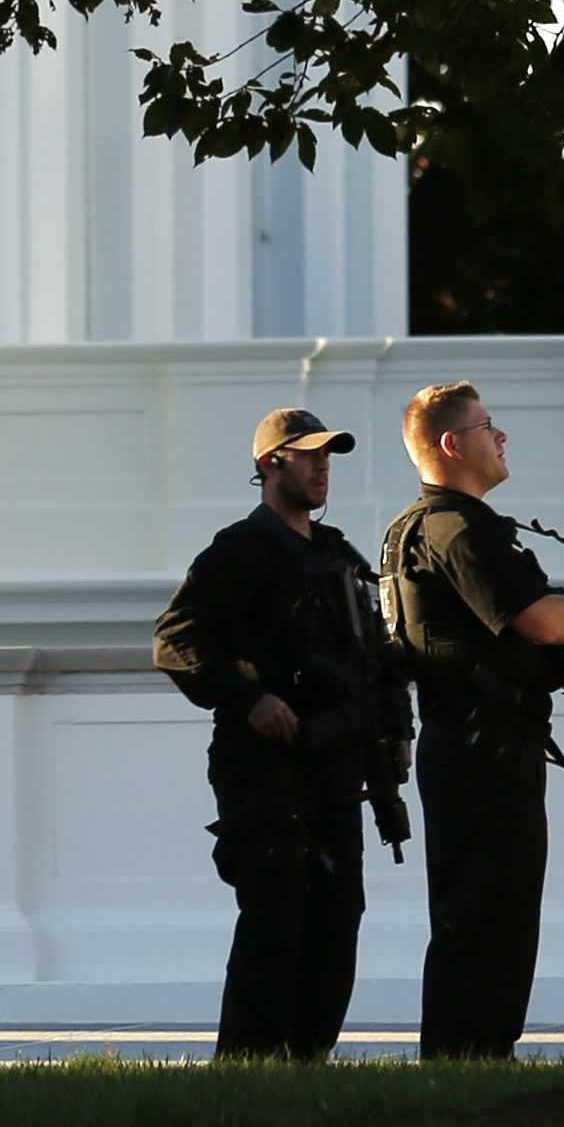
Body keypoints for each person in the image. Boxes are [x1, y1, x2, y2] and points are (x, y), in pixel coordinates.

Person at [380, 382, 564, 1059]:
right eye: (487, 426)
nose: (500, 438)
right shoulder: (460, 530)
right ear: (451, 444)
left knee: (485, 913)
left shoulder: (419, 527)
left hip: (474, 742)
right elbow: (543, 621)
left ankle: (469, 1057)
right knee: (489, 916)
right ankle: (470, 1059)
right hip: (484, 746)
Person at [152, 407, 400, 1060]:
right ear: (270, 465)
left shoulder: (338, 555)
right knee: (275, 921)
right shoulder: (241, 549)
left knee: (338, 918)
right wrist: (249, 696)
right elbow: (176, 639)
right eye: (309, 454)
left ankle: (306, 1066)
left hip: (336, 770)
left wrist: (391, 736)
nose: (322, 467)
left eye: (328, 456)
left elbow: (375, 655)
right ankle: (248, 1071)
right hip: (266, 768)